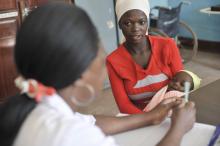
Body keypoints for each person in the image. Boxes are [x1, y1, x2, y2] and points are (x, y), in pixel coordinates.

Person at [0, 2, 195, 146]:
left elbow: (91, 121)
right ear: (81, 74)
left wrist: (151, 116)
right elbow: (87, 127)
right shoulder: (74, 136)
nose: (105, 68)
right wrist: (178, 129)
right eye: (99, 57)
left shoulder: (33, 112)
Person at [106, 0, 184, 114]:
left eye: (141, 22)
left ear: (147, 22)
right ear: (119, 24)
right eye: (127, 23)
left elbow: (182, 86)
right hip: (138, 120)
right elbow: (124, 105)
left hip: (172, 112)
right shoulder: (113, 61)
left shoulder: (167, 46)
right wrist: (150, 119)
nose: (135, 28)